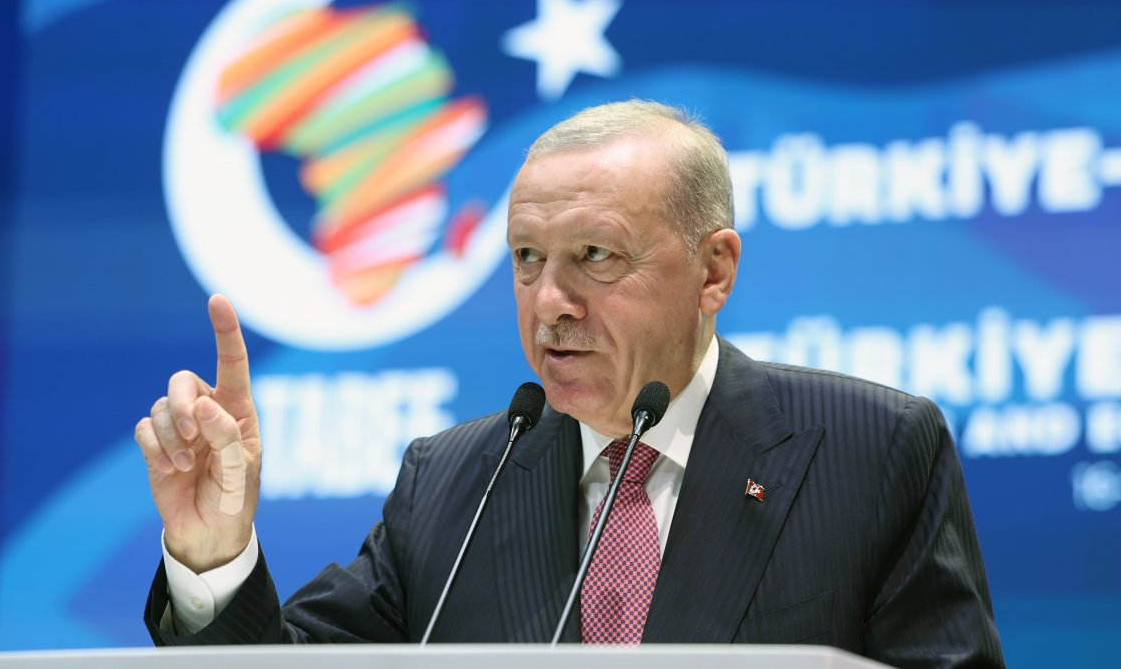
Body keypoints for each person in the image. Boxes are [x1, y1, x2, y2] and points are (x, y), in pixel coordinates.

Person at [135, 100, 1005, 666]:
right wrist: (213, 554)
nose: (551, 302)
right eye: (526, 259)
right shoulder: (453, 483)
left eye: (596, 255)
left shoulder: (871, 450)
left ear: (714, 271)